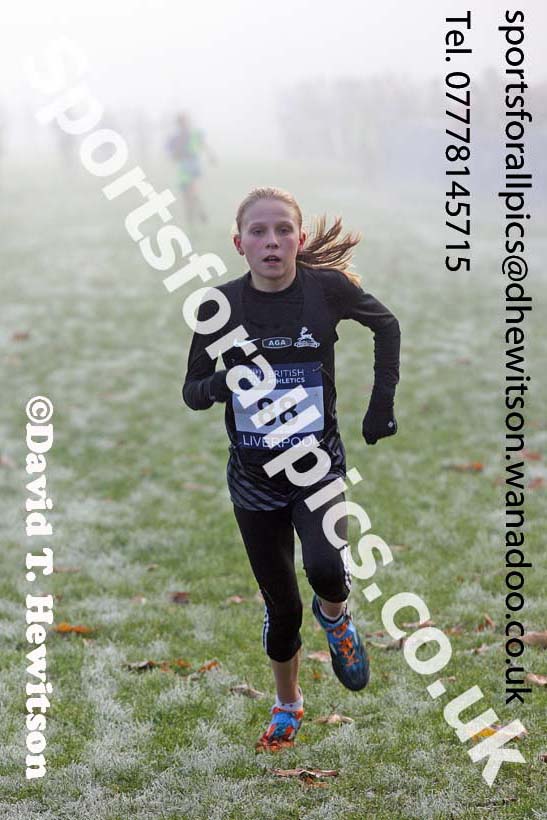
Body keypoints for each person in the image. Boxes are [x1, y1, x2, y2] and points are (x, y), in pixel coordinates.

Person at [182, 187, 400, 751]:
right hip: (254, 481)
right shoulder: (218, 307)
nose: (271, 241)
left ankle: (339, 620)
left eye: (283, 230)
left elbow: (388, 326)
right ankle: (288, 703)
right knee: (282, 607)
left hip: (316, 467)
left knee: (327, 567)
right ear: (239, 243)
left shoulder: (326, 291)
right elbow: (191, 392)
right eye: (258, 231)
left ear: (300, 240)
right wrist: (222, 384)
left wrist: (381, 406)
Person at [166, 112, 215, 226]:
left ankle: (197, 213)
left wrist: (211, 155)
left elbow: (203, 145)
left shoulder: (193, 134)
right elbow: (171, 153)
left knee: (192, 191)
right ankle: (193, 216)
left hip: (192, 165)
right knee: (186, 195)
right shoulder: (176, 137)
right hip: (183, 166)